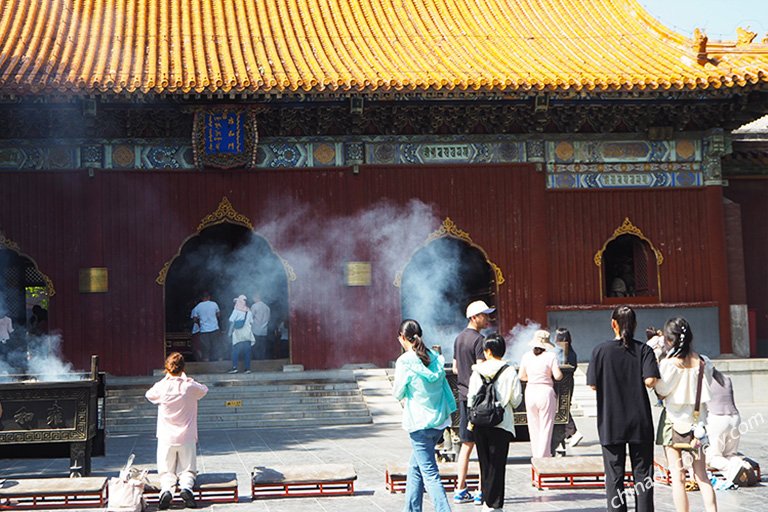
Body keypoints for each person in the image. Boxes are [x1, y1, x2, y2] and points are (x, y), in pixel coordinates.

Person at [587, 305, 659, 512]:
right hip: (640, 421)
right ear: (635, 325)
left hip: (611, 420)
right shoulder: (644, 350)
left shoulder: (600, 351)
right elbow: (650, 381)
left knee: (614, 476)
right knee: (643, 475)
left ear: (613, 324)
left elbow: (592, 384)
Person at [654, 317, 717, 512]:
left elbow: (661, 391)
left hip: (673, 422)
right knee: (702, 476)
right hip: (698, 424)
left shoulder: (669, 365)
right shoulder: (704, 362)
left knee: (678, 476)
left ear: (670, 340)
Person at [393, 319, 456, 512]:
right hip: (438, 423)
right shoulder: (436, 357)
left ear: (403, 338)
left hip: (419, 424)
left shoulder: (405, 361)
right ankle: (412, 509)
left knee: (430, 473)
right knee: (416, 467)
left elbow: (398, 393)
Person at [466, 333, 522, 512]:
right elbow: (516, 400)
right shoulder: (509, 371)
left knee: (485, 463)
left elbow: (471, 398)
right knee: (498, 465)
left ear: (488, 351)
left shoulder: (477, 371)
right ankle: (494, 504)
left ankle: (485, 501)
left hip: (480, 423)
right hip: (502, 422)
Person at [145, 352, 208, 510]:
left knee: (166, 471)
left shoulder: (162, 386)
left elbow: (149, 395)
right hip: (187, 436)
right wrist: (187, 379)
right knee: (187, 469)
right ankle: (186, 488)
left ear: (167, 368)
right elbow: (204, 390)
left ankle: (167, 490)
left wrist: (166, 378)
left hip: (166, 437)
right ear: (183, 368)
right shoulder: (189, 386)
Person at [452, 300, 494, 504]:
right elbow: (481, 368)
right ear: (474, 317)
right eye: (484, 315)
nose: (488, 318)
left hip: (463, 396)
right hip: (478, 399)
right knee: (482, 444)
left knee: (466, 443)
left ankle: (460, 488)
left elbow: (455, 368)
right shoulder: (479, 340)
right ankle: (481, 490)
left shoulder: (459, 339)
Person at [705, 367, 754, 484]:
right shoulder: (726, 378)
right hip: (735, 419)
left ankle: (733, 469)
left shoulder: (703, 380)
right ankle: (743, 465)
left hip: (716, 419)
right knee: (730, 454)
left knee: (712, 457)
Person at [518, 329, 562, 458]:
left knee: (534, 427)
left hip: (530, 390)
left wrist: (532, 378)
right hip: (545, 391)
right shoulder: (551, 356)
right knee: (546, 427)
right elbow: (558, 375)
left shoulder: (526, 356)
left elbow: (521, 376)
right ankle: (543, 457)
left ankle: (536, 455)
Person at [552, 327, 582, 454]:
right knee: (563, 407)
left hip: (564, 383)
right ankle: (568, 434)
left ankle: (574, 432)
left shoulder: (567, 354)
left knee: (562, 408)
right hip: (566, 383)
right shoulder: (570, 352)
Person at [190, 292, 220, 362]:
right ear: (209, 297)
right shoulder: (214, 304)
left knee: (205, 348)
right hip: (215, 328)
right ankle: (220, 362)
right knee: (217, 346)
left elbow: (194, 319)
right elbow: (218, 315)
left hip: (204, 330)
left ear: (201, 298)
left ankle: (206, 364)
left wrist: (200, 322)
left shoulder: (198, 307)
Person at [228, 295, 254, 374]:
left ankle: (235, 367)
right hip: (247, 332)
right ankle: (247, 368)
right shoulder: (248, 311)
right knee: (247, 351)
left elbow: (231, 320)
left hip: (238, 333)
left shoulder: (236, 311)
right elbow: (251, 322)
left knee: (236, 350)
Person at [250, 293, 270, 360]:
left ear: (256, 298)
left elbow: (250, 318)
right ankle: (262, 359)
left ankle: (256, 361)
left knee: (255, 346)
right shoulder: (267, 307)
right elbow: (269, 319)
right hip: (264, 330)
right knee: (263, 347)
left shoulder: (254, 306)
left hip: (256, 329)